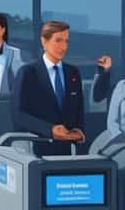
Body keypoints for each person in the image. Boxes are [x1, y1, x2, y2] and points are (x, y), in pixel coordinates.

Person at [12, 20, 91, 155]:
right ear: (44, 41)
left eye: (66, 41)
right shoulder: (28, 73)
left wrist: (78, 130)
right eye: (58, 40)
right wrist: (50, 130)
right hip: (38, 148)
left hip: (68, 150)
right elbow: (19, 115)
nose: (63, 47)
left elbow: (79, 109)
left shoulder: (73, 73)